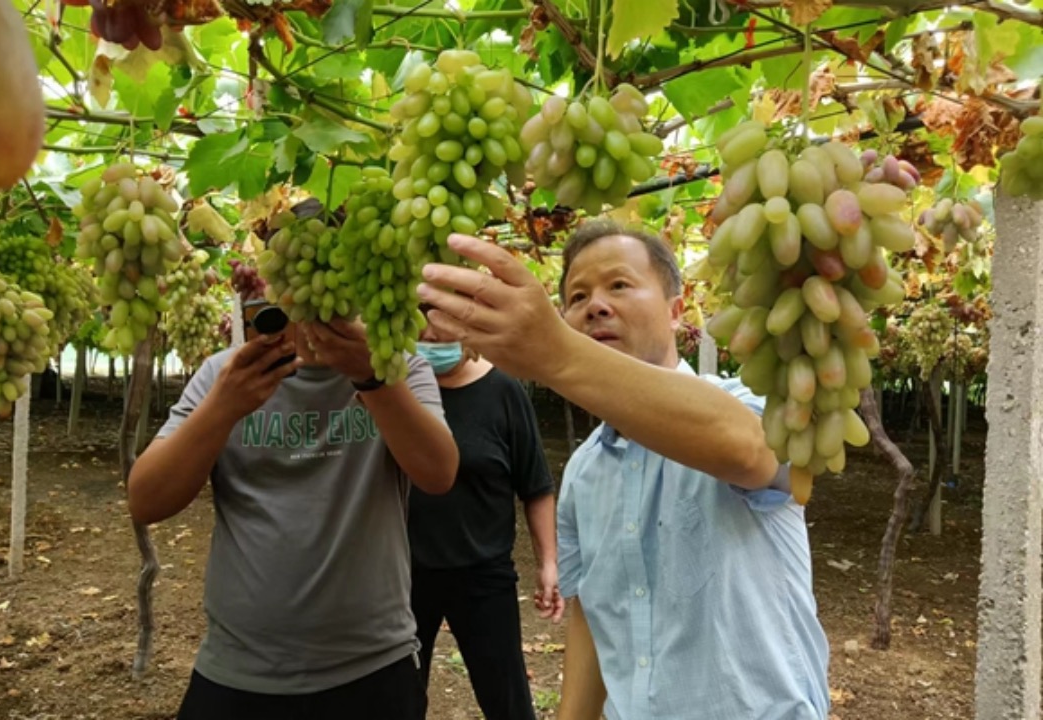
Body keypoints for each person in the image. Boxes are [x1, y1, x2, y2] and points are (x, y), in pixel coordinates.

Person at [416, 220, 831, 720]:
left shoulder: (747, 405)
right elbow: (593, 617)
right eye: (576, 296)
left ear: (677, 312)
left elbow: (749, 453)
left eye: (619, 285)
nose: (595, 305)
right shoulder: (585, 473)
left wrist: (555, 355)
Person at [127, 312, 459, 720]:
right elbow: (146, 500)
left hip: (373, 665)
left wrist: (373, 377)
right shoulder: (227, 374)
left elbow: (439, 473)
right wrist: (224, 406)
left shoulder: (399, 366)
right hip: (241, 670)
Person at [409, 310, 565, 720]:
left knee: (508, 703)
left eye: (441, 321)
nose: (429, 332)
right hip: (403, 576)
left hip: (483, 576)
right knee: (397, 701)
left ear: (467, 325)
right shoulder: (396, 391)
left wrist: (548, 561)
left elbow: (536, 486)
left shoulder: (503, 392)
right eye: (419, 320)